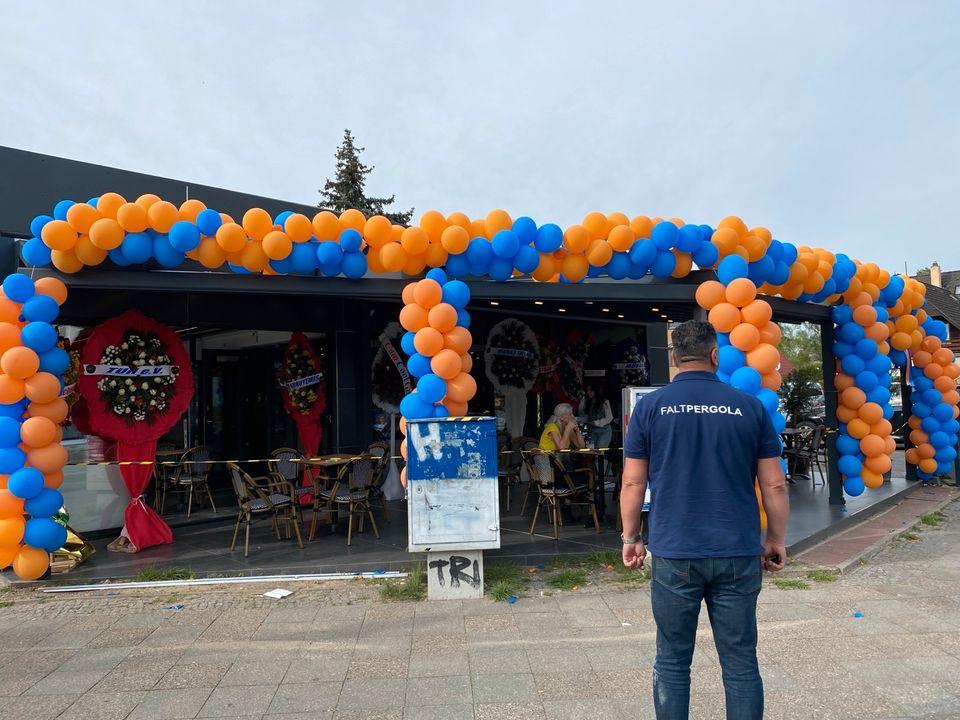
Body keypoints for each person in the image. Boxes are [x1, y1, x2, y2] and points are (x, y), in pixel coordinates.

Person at [619, 320, 789, 720]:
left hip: (675, 551)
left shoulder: (650, 408)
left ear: (675, 358)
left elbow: (632, 480)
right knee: (741, 663)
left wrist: (631, 536)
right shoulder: (750, 407)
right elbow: (775, 486)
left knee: (673, 660)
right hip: (737, 550)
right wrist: (775, 538)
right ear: (715, 355)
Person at [579, 384, 614, 450]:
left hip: (604, 430)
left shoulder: (604, 402)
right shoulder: (587, 402)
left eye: (591, 390)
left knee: (600, 451)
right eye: (587, 390)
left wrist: (596, 423)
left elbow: (609, 417)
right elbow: (586, 417)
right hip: (592, 430)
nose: (588, 392)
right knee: (592, 450)